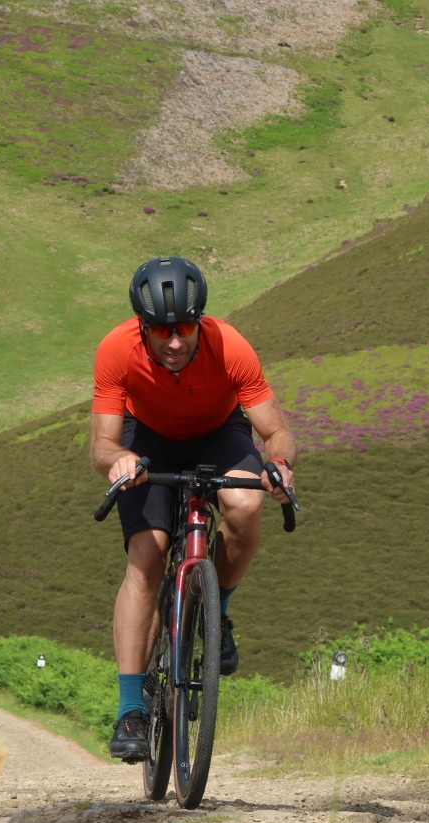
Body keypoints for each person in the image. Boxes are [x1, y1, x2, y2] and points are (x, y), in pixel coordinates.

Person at [89, 256, 297, 761]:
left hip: (218, 432)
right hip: (147, 438)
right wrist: (119, 461)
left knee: (245, 503)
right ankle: (130, 709)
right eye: (162, 331)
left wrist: (279, 465)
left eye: (184, 327)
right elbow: (101, 445)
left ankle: (215, 614)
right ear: (143, 327)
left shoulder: (231, 346)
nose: (175, 342)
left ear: (199, 321)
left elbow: (276, 431)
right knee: (147, 553)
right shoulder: (116, 349)